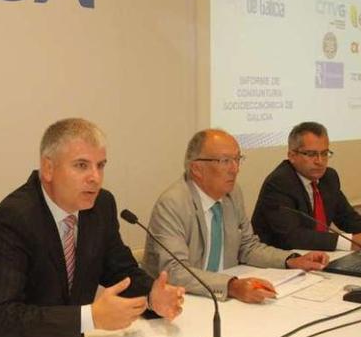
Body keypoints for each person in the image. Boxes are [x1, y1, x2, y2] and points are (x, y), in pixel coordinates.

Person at [0, 118, 185, 337]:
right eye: (81, 165)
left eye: (101, 165)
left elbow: (120, 270)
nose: (95, 177)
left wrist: (151, 295)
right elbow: (1, 318)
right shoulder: (13, 219)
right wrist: (90, 318)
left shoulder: (101, 205)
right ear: (48, 168)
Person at [141, 129, 329, 304]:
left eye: (237, 159)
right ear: (197, 168)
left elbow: (248, 247)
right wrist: (231, 286)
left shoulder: (232, 193)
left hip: (226, 299)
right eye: (225, 161)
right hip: (184, 301)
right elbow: (175, 271)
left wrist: (290, 260)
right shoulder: (173, 203)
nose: (235, 169)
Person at [251, 122, 361, 252]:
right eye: (311, 154)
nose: (320, 161)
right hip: (278, 263)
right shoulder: (280, 182)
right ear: (292, 156)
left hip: (316, 257)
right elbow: (292, 236)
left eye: (324, 153)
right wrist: (353, 242)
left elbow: (346, 216)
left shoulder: (328, 177)